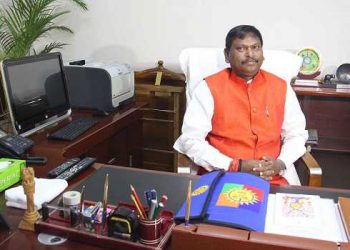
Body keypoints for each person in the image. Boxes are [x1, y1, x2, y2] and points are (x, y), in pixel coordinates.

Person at [174, 25, 308, 185]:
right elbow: (191, 140)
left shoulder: (281, 87)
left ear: (262, 53)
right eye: (241, 48)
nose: (250, 54)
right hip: (223, 177)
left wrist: (280, 163)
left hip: (272, 180)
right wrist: (235, 165)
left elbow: (297, 134)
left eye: (255, 47)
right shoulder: (208, 88)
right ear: (226, 55)